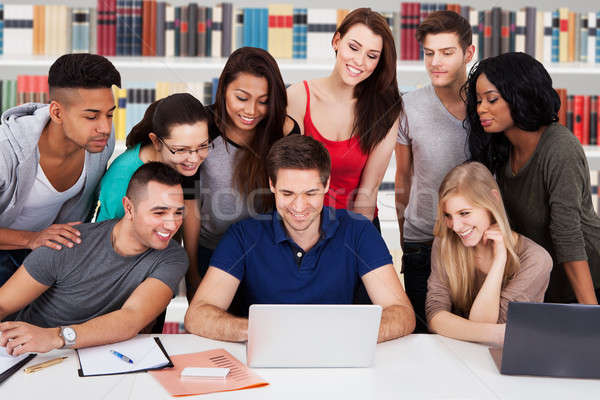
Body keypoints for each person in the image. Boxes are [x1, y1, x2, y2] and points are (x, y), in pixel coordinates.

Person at [184, 135, 415, 343]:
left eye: (310, 193)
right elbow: (198, 315)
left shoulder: (358, 231)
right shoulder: (243, 236)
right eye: (287, 193)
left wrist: (338, 335)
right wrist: (266, 332)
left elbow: (401, 313)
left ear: (326, 185)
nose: (299, 206)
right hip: (267, 357)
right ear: (272, 185)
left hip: (339, 356)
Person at [0, 163, 188, 356]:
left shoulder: (172, 258)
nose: (171, 224)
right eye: (159, 212)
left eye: (178, 212)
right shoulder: (67, 242)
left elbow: (131, 318)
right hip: (32, 355)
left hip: (98, 357)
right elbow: (3, 304)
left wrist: (58, 337)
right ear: (129, 208)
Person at [465, 52, 600, 304]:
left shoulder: (560, 148)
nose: (481, 108)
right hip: (545, 280)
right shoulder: (501, 148)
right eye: (479, 100)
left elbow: (567, 234)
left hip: (587, 281)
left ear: (520, 97)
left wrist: (591, 316)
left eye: (491, 99)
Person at [182, 47, 300, 301]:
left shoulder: (286, 131)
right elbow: (189, 205)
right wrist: (191, 273)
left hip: (267, 255)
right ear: (224, 89)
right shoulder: (201, 128)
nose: (252, 110)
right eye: (242, 98)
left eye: (264, 101)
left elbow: (291, 201)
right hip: (210, 253)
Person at [0, 53, 121, 286]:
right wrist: (31, 239)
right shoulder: (5, 152)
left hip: (47, 254)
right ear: (57, 113)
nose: (105, 127)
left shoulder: (99, 141)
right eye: (91, 116)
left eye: (110, 114)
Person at [395, 11, 474, 332]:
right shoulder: (409, 106)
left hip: (476, 244)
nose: (435, 62)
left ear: (468, 53)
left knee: (473, 341)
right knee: (421, 342)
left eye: (446, 53)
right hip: (423, 243)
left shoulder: (488, 103)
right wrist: (405, 236)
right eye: (429, 53)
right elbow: (403, 179)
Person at [287, 7, 402, 223]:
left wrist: (352, 247)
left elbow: (368, 191)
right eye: (353, 47)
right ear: (336, 41)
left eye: (372, 56)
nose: (360, 61)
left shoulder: (386, 110)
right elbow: (290, 180)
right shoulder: (297, 97)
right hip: (304, 225)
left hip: (358, 226)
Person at [426, 162, 552, 345]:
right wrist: (498, 334)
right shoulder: (445, 243)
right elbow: (435, 316)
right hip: (458, 356)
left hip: (506, 362)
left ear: (492, 201)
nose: (456, 226)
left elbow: (488, 325)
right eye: (448, 216)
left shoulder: (536, 260)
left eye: (464, 213)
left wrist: (499, 259)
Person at [96, 93, 210, 222]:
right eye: (181, 150)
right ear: (156, 141)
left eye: (203, 145)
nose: (194, 159)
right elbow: (106, 234)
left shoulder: (181, 162)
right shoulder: (122, 178)